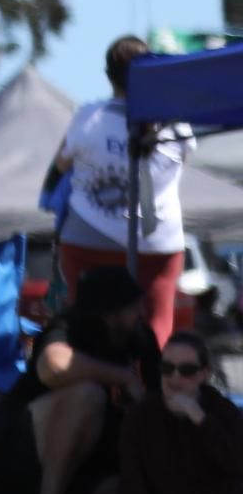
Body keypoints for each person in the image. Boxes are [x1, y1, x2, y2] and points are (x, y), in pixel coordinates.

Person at [0, 262, 154, 494]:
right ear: (110, 312)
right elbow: (54, 366)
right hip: (15, 461)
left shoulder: (140, 339)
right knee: (88, 395)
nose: (141, 312)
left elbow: (157, 397)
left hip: (86, 471)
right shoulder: (70, 328)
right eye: (133, 306)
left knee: (132, 492)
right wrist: (121, 376)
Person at [50, 35, 192, 350]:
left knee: (86, 326)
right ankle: (153, 375)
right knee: (157, 323)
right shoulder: (177, 124)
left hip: (88, 238)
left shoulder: (88, 117)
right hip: (156, 241)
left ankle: (93, 375)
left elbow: (61, 164)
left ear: (108, 75)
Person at [119, 332, 243, 494]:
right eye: (167, 368)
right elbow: (132, 478)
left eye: (186, 370)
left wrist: (199, 419)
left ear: (204, 374)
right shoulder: (141, 415)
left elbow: (236, 462)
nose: (175, 377)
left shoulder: (222, 411)